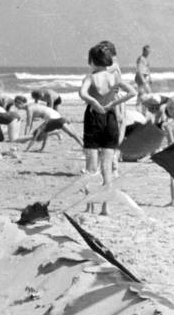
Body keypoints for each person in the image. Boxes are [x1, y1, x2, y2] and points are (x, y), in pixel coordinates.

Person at [78, 41, 136, 215]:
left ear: (92, 61)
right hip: (110, 118)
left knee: (91, 166)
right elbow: (132, 92)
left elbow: (82, 93)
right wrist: (112, 103)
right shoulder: (114, 77)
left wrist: (95, 102)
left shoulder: (90, 77)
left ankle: (89, 207)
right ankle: (105, 207)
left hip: (94, 118)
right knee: (107, 166)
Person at [17, 97, 83, 152]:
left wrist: (26, 144)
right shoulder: (32, 105)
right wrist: (41, 148)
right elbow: (44, 137)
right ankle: (85, 144)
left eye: (16, 104)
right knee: (74, 134)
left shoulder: (30, 109)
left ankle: (83, 145)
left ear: (20, 103)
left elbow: (29, 126)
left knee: (72, 134)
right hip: (55, 115)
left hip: (53, 118)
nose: (16, 106)